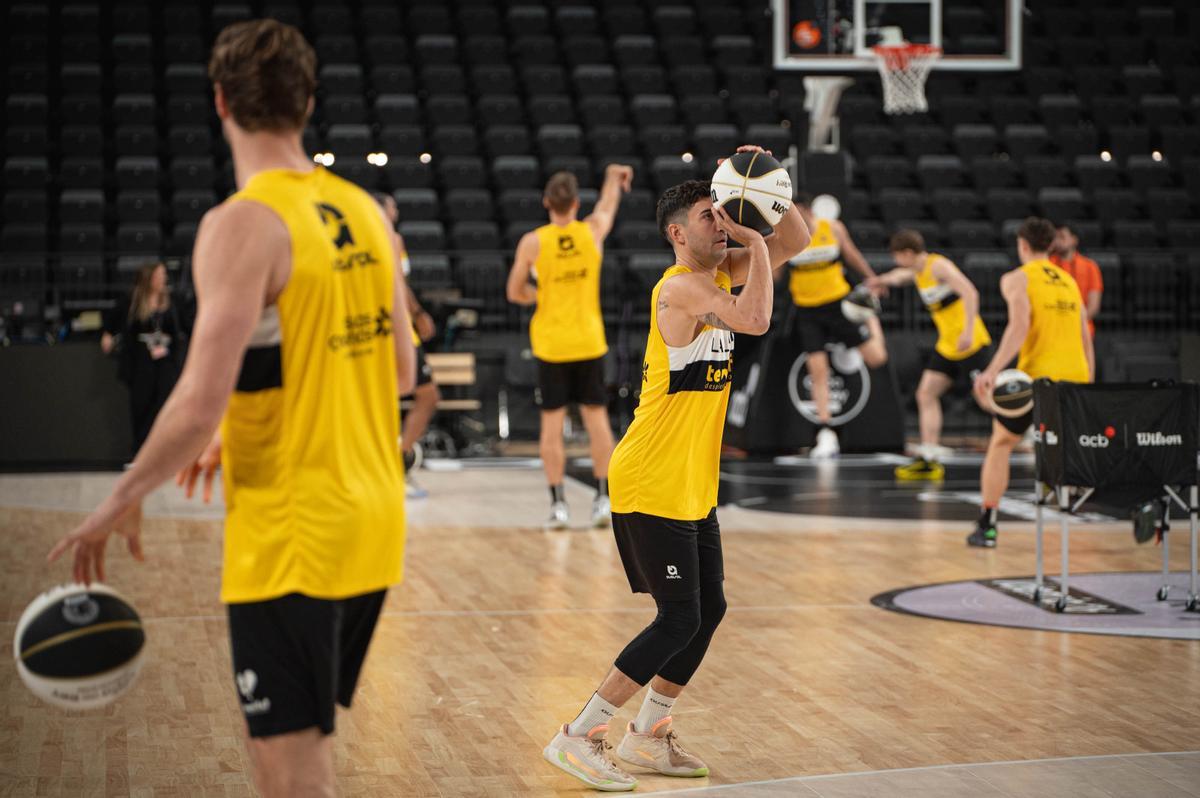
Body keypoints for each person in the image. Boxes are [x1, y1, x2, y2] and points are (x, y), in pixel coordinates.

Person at [48, 20, 416, 797]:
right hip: (373, 521)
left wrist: (118, 499)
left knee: (293, 774)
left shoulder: (241, 224)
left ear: (219, 102)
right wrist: (238, 424)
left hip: (294, 534)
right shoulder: (365, 212)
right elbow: (399, 370)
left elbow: (195, 394)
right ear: (307, 101)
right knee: (280, 750)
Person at [543, 149, 810, 792]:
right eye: (707, 215)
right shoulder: (682, 286)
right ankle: (580, 735)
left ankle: (648, 732)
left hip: (689, 484)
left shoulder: (721, 272)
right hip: (649, 479)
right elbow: (757, 318)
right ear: (676, 233)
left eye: (723, 213)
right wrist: (752, 239)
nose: (721, 225)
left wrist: (763, 183)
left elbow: (797, 233)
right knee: (678, 617)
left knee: (708, 607)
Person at [506, 165, 633, 529]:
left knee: (551, 427)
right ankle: (602, 499)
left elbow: (514, 292)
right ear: (576, 203)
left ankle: (558, 505)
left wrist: (538, 294)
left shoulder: (533, 242)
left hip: (551, 345)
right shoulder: (592, 232)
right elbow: (609, 204)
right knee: (597, 422)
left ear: (547, 202)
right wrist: (612, 176)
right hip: (588, 342)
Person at [968, 217, 1093, 548]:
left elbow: (1019, 326)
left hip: (1037, 379)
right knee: (1070, 446)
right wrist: (1089, 380)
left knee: (1001, 444)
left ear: (1022, 245)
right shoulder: (1068, 280)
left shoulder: (1016, 278)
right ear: (1051, 246)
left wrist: (992, 371)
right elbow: (1086, 338)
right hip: (1076, 376)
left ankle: (988, 525)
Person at [868, 230, 993, 480]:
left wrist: (968, 331)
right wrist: (880, 281)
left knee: (986, 399)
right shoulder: (918, 271)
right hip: (947, 345)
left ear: (907, 253)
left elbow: (971, 293)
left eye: (897, 256)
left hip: (970, 342)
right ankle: (929, 456)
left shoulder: (940, 267)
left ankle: (1026, 428)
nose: (895, 261)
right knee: (926, 394)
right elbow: (900, 276)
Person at [787, 195, 888, 458]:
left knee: (876, 358)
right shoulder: (785, 235)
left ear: (808, 210)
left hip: (839, 306)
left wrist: (872, 280)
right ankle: (826, 431)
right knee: (818, 371)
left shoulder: (832, 228)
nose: (794, 219)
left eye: (798, 213)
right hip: (807, 310)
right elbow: (773, 272)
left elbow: (852, 256)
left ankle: (870, 320)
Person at [375, 191, 441, 499]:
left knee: (418, 397)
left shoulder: (379, 237)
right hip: (391, 329)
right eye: (393, 206)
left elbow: (401, 284)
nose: (397, 210)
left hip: (388, 327)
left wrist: (416, 312)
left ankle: (393, 463)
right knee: (420, 396)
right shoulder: (387, 237)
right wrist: (416, 314)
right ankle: (392, 466)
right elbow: (395, 284)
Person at [101, 261, 188, 456]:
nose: (164, 279)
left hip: (165, 362)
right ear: (149, 279)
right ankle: (141, 452)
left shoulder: (171, 300)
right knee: (141, 406)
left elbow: (184, 325)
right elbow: (112, 318)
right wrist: (107, 333)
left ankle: (163, 453)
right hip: (141, 361)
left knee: (164, 405)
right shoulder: (132, 300)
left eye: (164, 275)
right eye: (159, 275)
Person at [1050, 223, 1102, 339]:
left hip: (1082, 329)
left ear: (1074, 240)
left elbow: (1093, 306)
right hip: (1052, 330)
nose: (1057, 241)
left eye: (1062, 237)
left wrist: (1074, 323)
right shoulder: (1047, 264)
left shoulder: (1090, 266)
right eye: (1055, 237)